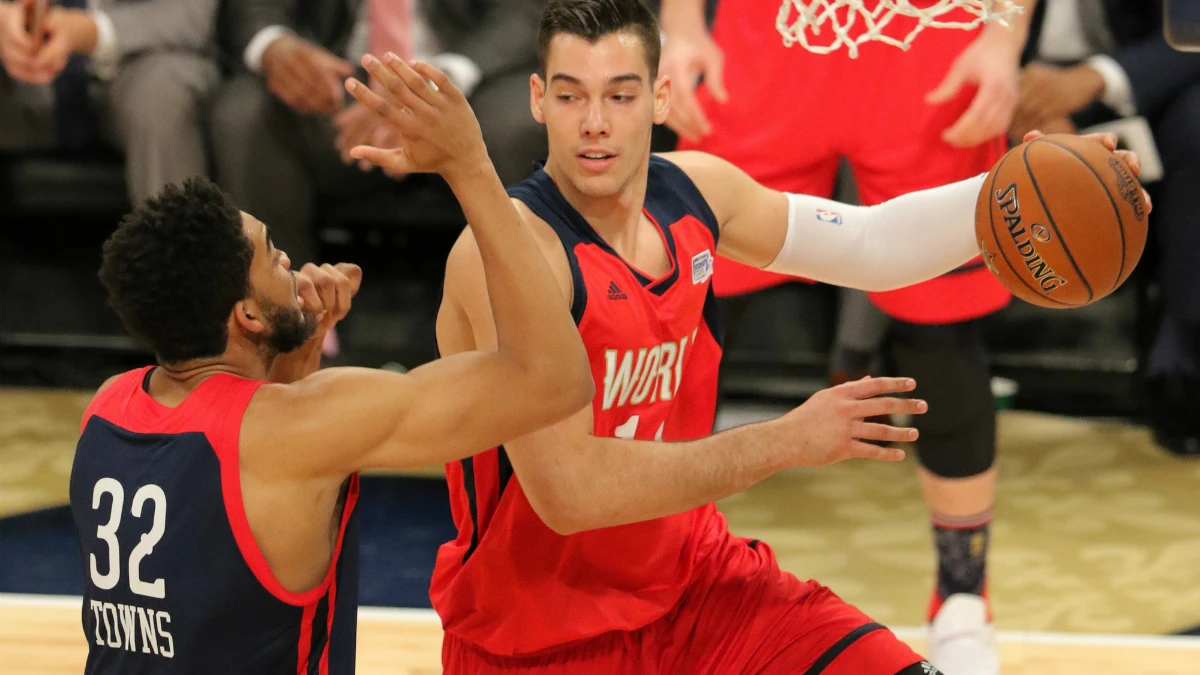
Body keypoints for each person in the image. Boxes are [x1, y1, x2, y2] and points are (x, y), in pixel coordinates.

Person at [346, 0, 1146, 672]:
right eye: (570, 95)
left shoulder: (700, 190)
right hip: (540, 639)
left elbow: (871, 245)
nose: (595, 124)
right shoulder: (505, 256)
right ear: (536, 100)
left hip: (702, 591)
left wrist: (1020, 184)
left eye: (621, 96)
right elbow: (572, 494)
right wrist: (786, 441)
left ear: (661, 97)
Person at [70, 62, 597, 672]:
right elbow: (553, 379)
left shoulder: (106, 410)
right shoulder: (295, 431)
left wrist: (293, 359)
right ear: (247, 315)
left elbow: (224, 556)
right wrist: (470, 166)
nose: (290, 261)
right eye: (272, 255)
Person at [657, 0, 1035, 670]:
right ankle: (656, 568)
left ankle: (961, 597)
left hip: (927, 32)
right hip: (768, 32)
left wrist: (1003, 33)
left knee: (939, 324)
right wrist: (682, 25)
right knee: (690, 306)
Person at [211, 0, 548, 267]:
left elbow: (522, 12)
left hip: (469, 78)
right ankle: (286, 319)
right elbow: (253, 8)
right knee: (243, 115)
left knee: (520, 125)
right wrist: (275, 46)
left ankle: (521, 323)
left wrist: (423, 89)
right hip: (342, 79)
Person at [0, 0, 220, 203]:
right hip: (14, 73)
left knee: (163, 95)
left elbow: (190, 15)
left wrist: (89, 31)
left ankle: (174, 242)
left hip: (135, 62)